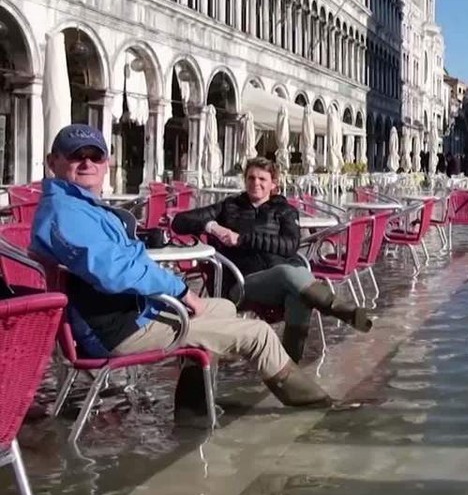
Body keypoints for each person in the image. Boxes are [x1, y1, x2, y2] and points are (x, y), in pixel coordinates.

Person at [31, 125, 332, 417]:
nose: (86, 163)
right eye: (75, 155)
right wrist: (182, 291)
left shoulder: (79, 207)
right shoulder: (66, 213)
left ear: (106, 163)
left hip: (129, 315)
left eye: (94, 156)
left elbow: (124, 262)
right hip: (119, 331)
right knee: (259, 334)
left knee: (224, 307)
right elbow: (116, 271)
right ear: (52, 162)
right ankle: (318, 408)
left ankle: (194, 409)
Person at [171, 157, 372, 362]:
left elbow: (290, 245)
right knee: (289, 273)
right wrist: (212, 226)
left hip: (283, 280)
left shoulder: (284, 210)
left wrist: (241, 239)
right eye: (250, 178)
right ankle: (339, 309)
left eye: (262, 179)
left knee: (299, 297)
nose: (255, 183)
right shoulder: (229, 206)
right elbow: (179, 221)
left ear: (273, 183)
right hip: (242, 283)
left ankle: (289, 364)